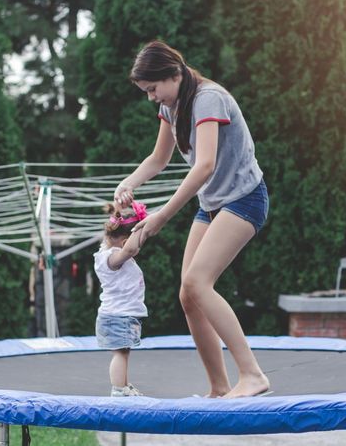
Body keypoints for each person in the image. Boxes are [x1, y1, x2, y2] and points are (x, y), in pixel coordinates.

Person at [114, 40, 270, 398]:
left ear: (174, 74)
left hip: (245, 200)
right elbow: (158, 158)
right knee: (188, 293)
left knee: (200, 282)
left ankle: (253, 375)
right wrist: (129, 182)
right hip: (214, 204)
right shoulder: (173, 106)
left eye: (153, 89)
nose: (151, 97)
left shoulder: (208, 99)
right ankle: (218, 387)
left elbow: (205, 165)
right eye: (145, 92)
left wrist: (162, 216)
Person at [94, 201, 149, 397]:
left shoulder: (106, 250)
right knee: (120, 353)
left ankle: (124, 385)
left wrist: (125, 218)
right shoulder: (112, 258)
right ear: (125, 242)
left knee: (123, 351)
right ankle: (118, 388)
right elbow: (130, 250)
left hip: (119, 314)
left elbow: (113, 233)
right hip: (119, 314)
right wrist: (142, 228)